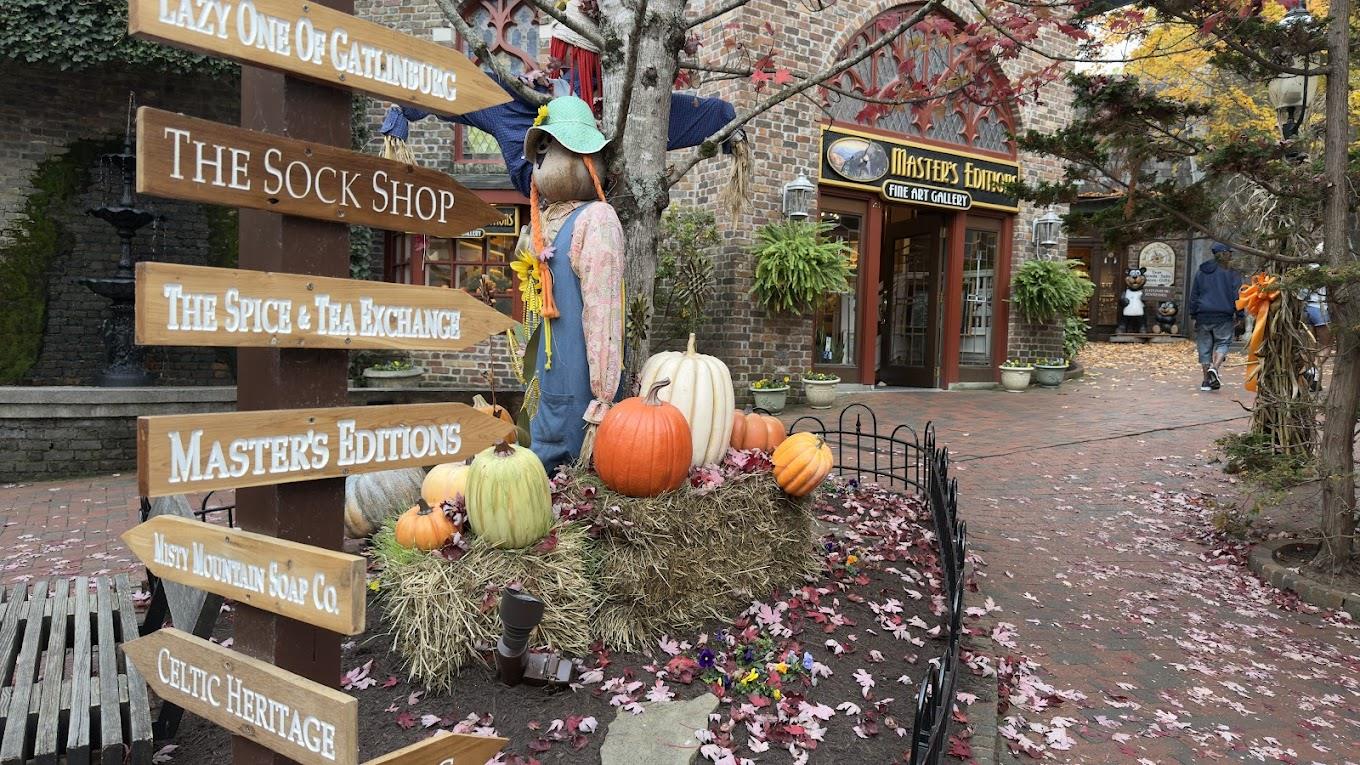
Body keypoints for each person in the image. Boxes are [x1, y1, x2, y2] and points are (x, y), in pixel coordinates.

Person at [1189, 242, 1245, 391]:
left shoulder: (1201, 271)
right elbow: (1238, 295)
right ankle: (1215, 367)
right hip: (1223, 315)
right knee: (1223, 342)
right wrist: (1240, 314)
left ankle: (1206, 381)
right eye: (1230, 253)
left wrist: (1193, 313)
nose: (1232, 255)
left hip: (1203, 315)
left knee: (1204, 347)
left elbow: (1194, 294)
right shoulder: (1232, 273)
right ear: (1225, 254)